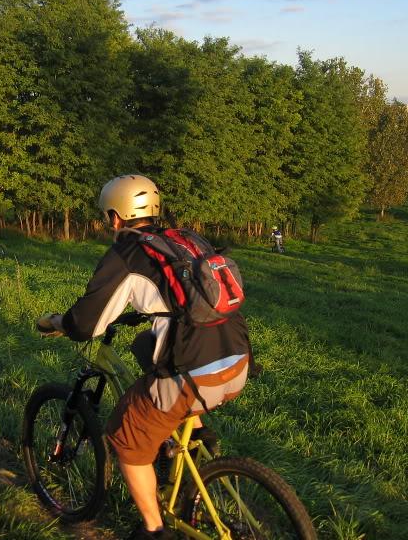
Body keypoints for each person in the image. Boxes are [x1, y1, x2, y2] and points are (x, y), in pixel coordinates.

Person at [37, 175, 251, 540]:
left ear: (116, 217)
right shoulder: (185, 239)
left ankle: (154, 530)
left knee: (128, 437)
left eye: (108, 216)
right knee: (148, 352)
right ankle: (196, 441)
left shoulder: (127, 254)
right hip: (237, 357)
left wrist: (58, 322)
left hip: (195, 371)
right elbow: (183, 295)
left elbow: (86, 323)